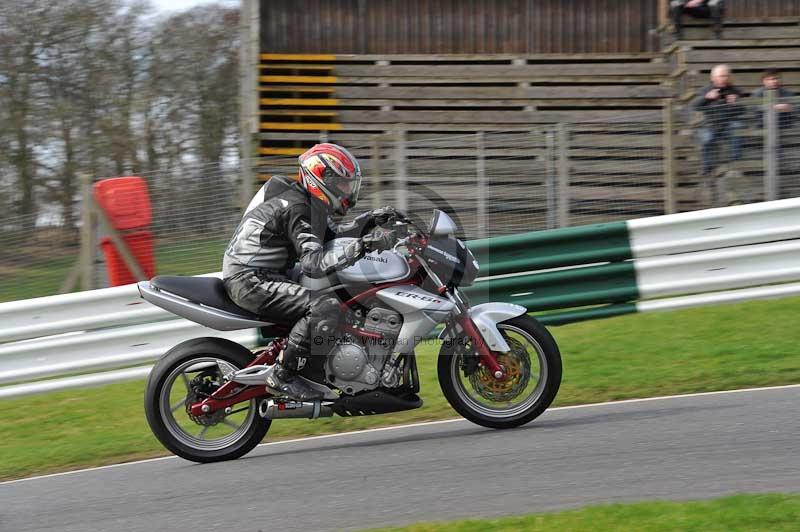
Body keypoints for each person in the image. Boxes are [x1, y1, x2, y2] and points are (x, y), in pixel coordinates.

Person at [222, 143, 399, 401]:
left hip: (267, 274)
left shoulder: (308, 202)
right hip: (250, 279)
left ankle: (323, 367)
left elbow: (334, 237)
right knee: (324, 306)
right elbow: (314, 263)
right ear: (321, 178)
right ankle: (283, 377)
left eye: (349, 183)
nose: (348, 190)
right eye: (342, 183)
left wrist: (372, 220)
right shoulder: (298, 208)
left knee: (340, 295)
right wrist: (363, 245)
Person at [692, 64, 745, 179]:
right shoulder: (705, 90)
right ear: (713, 78)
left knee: (738, 128)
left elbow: (743, 110)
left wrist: (735, 104)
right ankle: (707, 168)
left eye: (726, 76)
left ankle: (734, 165)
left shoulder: (735, 91)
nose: (724, 79)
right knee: (706, 138)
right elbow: (694, 106)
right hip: (711, 125)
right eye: (721, 76)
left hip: (728, 125)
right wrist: (707, 98)